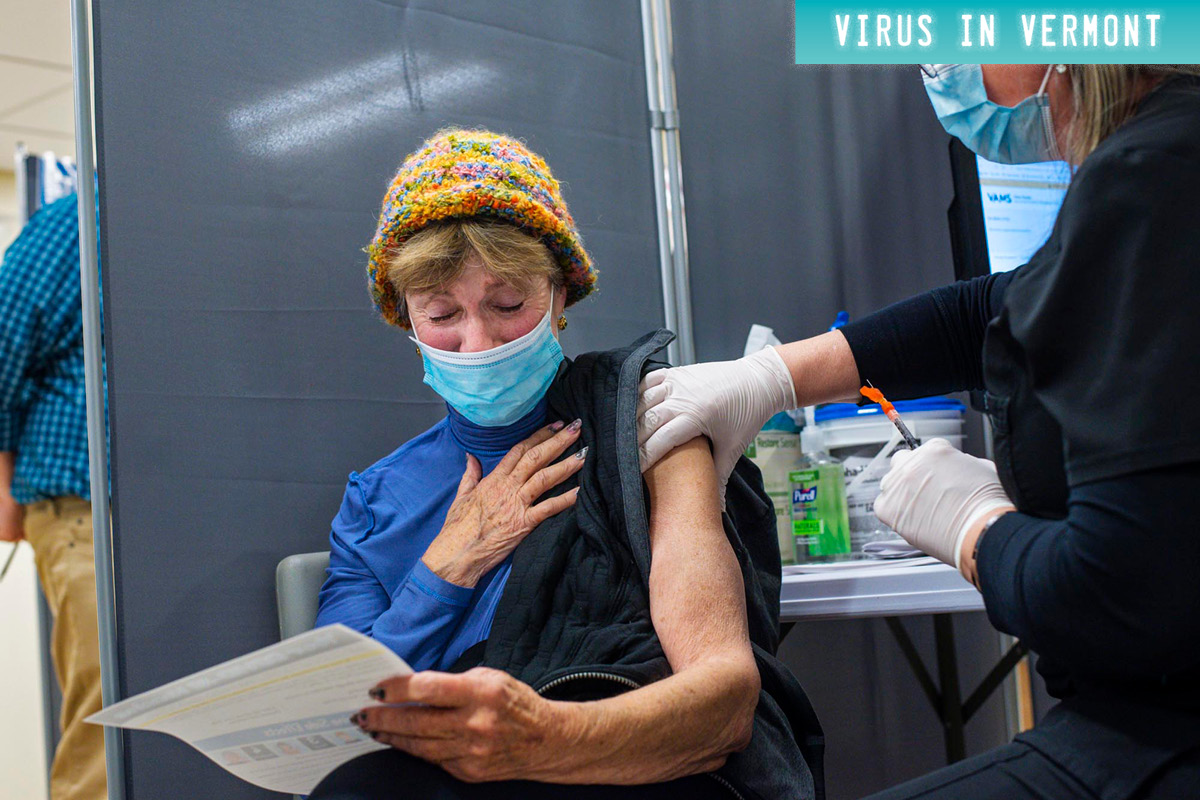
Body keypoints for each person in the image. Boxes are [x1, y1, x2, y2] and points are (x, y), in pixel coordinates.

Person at [637, 64, 1200, 798]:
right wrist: (771, 376)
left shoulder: (1149, 174)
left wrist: (977, 530)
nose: (940, 66)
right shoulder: (1168, 152)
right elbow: (993, 310)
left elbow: (1120, 600)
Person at [311, 129, 822, 799]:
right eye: (441, 314)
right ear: (405, 321)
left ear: (559, 299)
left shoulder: (642, 430)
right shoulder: (377, 503)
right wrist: (449, 566)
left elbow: (722, 702)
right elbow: (323, 721)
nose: (479, 342)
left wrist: (542, 737)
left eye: (509, 305)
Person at [0, 192, 107, 800]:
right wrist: (6, 487)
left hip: (175, 512)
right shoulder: (75, 220)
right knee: (104, 721)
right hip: (81, 509)